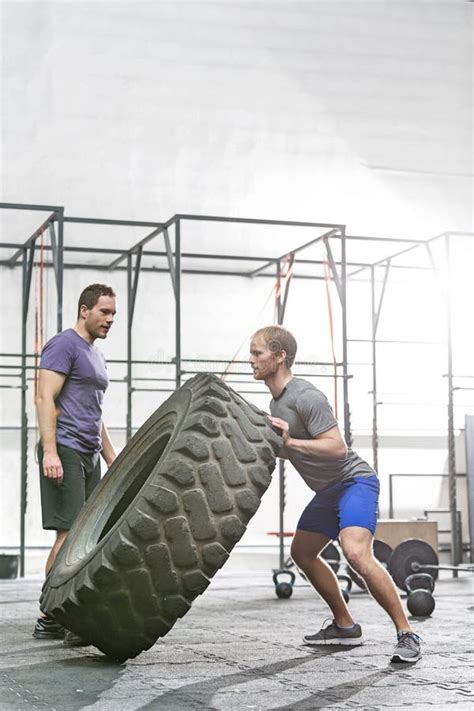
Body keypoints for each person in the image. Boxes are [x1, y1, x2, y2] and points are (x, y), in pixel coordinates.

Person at [249, 325, 422, 664]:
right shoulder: (276, 402)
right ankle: (344, 626)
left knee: (356, 553)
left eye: (257, 353)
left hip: (355, 481)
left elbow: (337, 449)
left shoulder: (305, 396)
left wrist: (290, 443)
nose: (250, 360)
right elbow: (292, 449)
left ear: (280, 355)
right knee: (302, 553)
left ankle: (407, 633)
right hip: (328, 491)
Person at [33, 283, 117, 645]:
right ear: (84, 310)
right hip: (64, 448)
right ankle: (48, 615)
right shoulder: (64, 344)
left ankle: (67, 611)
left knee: (84, 537)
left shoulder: (95, 355)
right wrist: (50, 451)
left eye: (113, 313)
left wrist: (113, 457)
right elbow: (43, 397)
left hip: (86, 451)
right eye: (104, 312)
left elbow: (94, 413)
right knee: (68, 536)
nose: (109, 319)